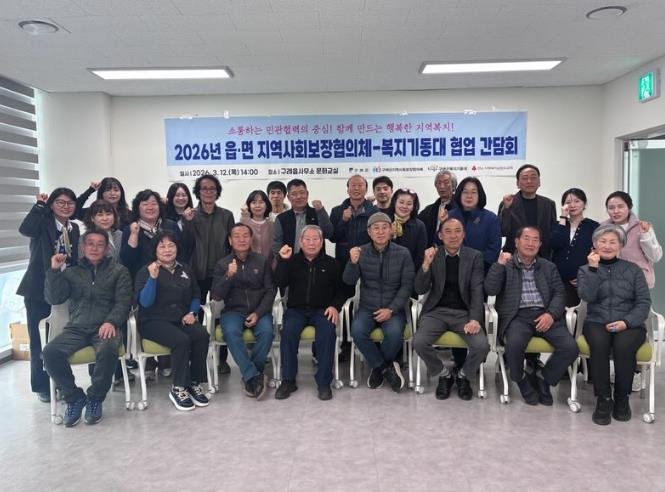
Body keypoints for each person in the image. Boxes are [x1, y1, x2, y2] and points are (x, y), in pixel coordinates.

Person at [42, 228, 132, 426]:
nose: (95, 248)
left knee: (108, 349)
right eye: (90, 244)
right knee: (50, 352)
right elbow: (54, 298)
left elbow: (124, 302)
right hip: (77, 327)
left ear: (107, 249)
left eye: (100, 244)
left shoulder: (119, 271)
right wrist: (55, 270)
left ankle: (95, 398)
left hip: (105, 326)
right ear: (83, 247)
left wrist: (111, 321)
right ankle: (74, 397)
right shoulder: (72, 272)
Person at [484, 226, 579, 406]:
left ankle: (545, 379)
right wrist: (498, 265)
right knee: (514, 344)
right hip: (517, 316)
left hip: (546, 315)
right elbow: (491, 289)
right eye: (526, 238)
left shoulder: (548, 266)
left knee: (571, 347)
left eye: (535, 240)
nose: (531, 243)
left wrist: (551, 314)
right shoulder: (506, 265)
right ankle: (520, 379)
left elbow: (560, 293)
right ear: (516, 242)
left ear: (540, 244)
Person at [577, 224, 651, 425]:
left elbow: (644, 302)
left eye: (612, 242)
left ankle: (621, 397)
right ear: (595, 244)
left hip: (630, 323)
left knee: (623, 346)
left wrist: (626, 322)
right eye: (602, 241)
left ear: (621, 245)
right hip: (597, 321)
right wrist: (593, 269)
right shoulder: (585, 270)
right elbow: (587, 296)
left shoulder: (633, 270)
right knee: (599, 345)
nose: (607, 246)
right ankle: (603, 399)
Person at [412, 218, 490, 400]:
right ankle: (443, 375)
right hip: (436, 312)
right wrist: (425, 264)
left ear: (464, 234)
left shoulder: (474, 256)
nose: (453, 235)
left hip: (464, 314)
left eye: (457, 231)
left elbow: (477, 290)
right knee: (419, 342)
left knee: (482, 346)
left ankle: (463, 376)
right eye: (447, 231)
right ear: (440, 235)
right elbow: (420, 289)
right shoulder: (434, 254)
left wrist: (475, 319)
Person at [135, 231, 211, 411]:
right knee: (181, 340)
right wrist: (153, 279)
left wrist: (192, 312)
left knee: (201, 334)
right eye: (162, 246)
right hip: (153, 321)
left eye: (171, 245)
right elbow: (145, 302)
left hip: (179, 319)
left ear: (177, 248)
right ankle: (178, 387)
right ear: (155, 250)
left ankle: (193, 382)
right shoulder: (146, 270)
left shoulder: (185, 269)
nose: (167, 250)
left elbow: (195, 294)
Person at [17, 188, 80, 402]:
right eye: (60, 202)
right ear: (51, 205)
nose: (66, 206)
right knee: (39, 340)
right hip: (37, 290)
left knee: (58, 339)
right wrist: (39, 206)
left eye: (70, 202)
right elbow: (25, 229)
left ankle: (60, 382)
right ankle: (42, 386)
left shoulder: (73, 229)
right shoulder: (43, 223)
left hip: (62, 291)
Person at [343, 212, 415, 393]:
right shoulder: (361, 252)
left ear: (391, 230)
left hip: (393, 308)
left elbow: (407, 286)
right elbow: (348, 281)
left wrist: (391, 309)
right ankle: (385, 368)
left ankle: (377, 369)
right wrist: (352, 263)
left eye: (384, 227)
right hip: (367, 307)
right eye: (376, 228)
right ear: (369, 232)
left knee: (394, 333)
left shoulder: (403, 253)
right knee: (357, 331)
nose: (380, 232)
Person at [274, 225, 345, 401]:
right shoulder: (291, 261)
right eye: (307, 239)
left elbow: (341, 291)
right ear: (300, 242)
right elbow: (279, 282)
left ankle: (324, 382)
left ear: (321, 242)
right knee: (288, 332)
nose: (311, 243)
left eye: (315, 239)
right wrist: (282, 261)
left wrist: (335, 306)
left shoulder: (333, 264)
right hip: (296, 310)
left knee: (327, 332)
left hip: (322, 310)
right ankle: (288, 380)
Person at [211, 223, 276, 400]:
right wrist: (228, 276)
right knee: (231, 333)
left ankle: (251, 376)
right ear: (230, 240)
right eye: (237, 236)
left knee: (267, 332)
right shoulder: (222, 264)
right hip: (233, 311)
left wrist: (259, 312)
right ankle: (253, 376)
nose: (241, 239)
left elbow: (271, 290)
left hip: (259, 310)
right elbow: (216, 295)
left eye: (245, 235)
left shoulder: (262, 261)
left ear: (251, 239)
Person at [181, 174, 235, 373]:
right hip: (197, 273)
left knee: (221, 315)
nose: (209, 192)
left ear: (217, 191)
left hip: (220, 274)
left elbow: (232, 245)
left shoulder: (226, 215)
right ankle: (195, 357)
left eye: (212, 188)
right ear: (198, 192)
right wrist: (187, 223)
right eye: (204, 188)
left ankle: (222, 360)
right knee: (195, 316)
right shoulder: (191, 215)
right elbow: (185, 246)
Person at [120, 189, 185, 279]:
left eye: (154, 204)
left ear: (159, 207)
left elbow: (181, 253)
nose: (150, 207)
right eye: (145, 204)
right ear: (137, 208)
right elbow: (127, 261)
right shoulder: (130, 229)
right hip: (143, 280)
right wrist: (134, 235)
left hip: (171, 279)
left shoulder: (171, 225)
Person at [550, 188, 599, 307]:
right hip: (558, 280)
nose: (572, 205)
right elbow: (555, 243)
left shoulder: (593, 226)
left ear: (584, 204)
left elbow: (597, 253)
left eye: (577, 201)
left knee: (579, 313)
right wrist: (563, 217)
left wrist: (584, 275)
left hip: (582, 281)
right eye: (568, 202)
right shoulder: (558, 225)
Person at [603, 191, 661, 289]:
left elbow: (655, 257)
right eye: (611, 208)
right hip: (611, 284)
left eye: (620, 206)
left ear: (629, 207)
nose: (616, 211)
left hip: (638, 283)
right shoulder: (602, 228)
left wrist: (645, 235)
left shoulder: (643, 227)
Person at [498, 164, 557, 259]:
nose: (529, 181)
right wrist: (507, 209)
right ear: (518, 183)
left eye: (533, 177)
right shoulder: (508, 203)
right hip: (514, 256)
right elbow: (503, 231)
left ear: (539, 182)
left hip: (542, 257)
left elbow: (552, 232)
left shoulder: (548, 204)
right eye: (525, 178)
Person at [448, 177, 501, 273]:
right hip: (452, 269)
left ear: (479, 195)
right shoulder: (449, 216)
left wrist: (474, 263)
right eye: (465, 192)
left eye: (473, 192)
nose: (469, 196)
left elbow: (494, 250)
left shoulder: (491, 218)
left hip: (482, 270)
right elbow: (440, 243)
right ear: (459, 194)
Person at [273, 178, 333, 256]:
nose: (299, 197)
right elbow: (277, 245)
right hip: (290, 261)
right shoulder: (281, 218)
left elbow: (328, 234)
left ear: (307, 194)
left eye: (302, 193)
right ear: (288, 197)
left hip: (316, 261)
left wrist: (321, 211)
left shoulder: (317, 213)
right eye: (294, 194)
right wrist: (282, 259)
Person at [389, 188, 427, 269]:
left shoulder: (420, 226)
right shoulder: (386, 221)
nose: (404, 206)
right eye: (401, 202)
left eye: (409, 204)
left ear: (413, 207)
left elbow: (420, 256)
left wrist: (410, 273)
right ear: (394, 203)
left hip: (409, 272)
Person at [419, 169, 458, 247]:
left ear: (454, 186)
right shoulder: (429, 210)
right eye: (439, 183)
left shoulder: (460, 208)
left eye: (446, 183)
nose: (442, 186)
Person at [240, 190, 274, 262]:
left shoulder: (272, 225)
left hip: (268, 265)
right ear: (249, 205)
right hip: (247, 265)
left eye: (261, 202)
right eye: (254, 202)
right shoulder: (244, 223)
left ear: (266, 205)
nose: (257, 206)